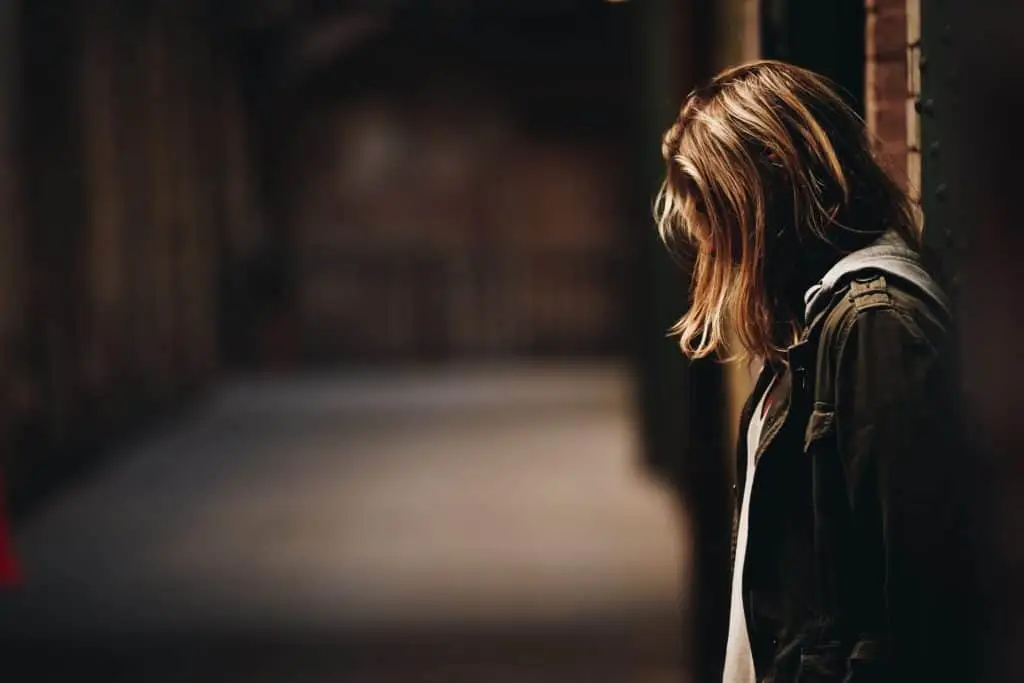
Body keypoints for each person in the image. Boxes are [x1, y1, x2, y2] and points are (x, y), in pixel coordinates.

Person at [655, 60, 973, 683]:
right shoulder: (819, 326)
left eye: (717, 220)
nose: (713, 250)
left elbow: (919, 608)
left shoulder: (874, 328)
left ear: (766, 198)